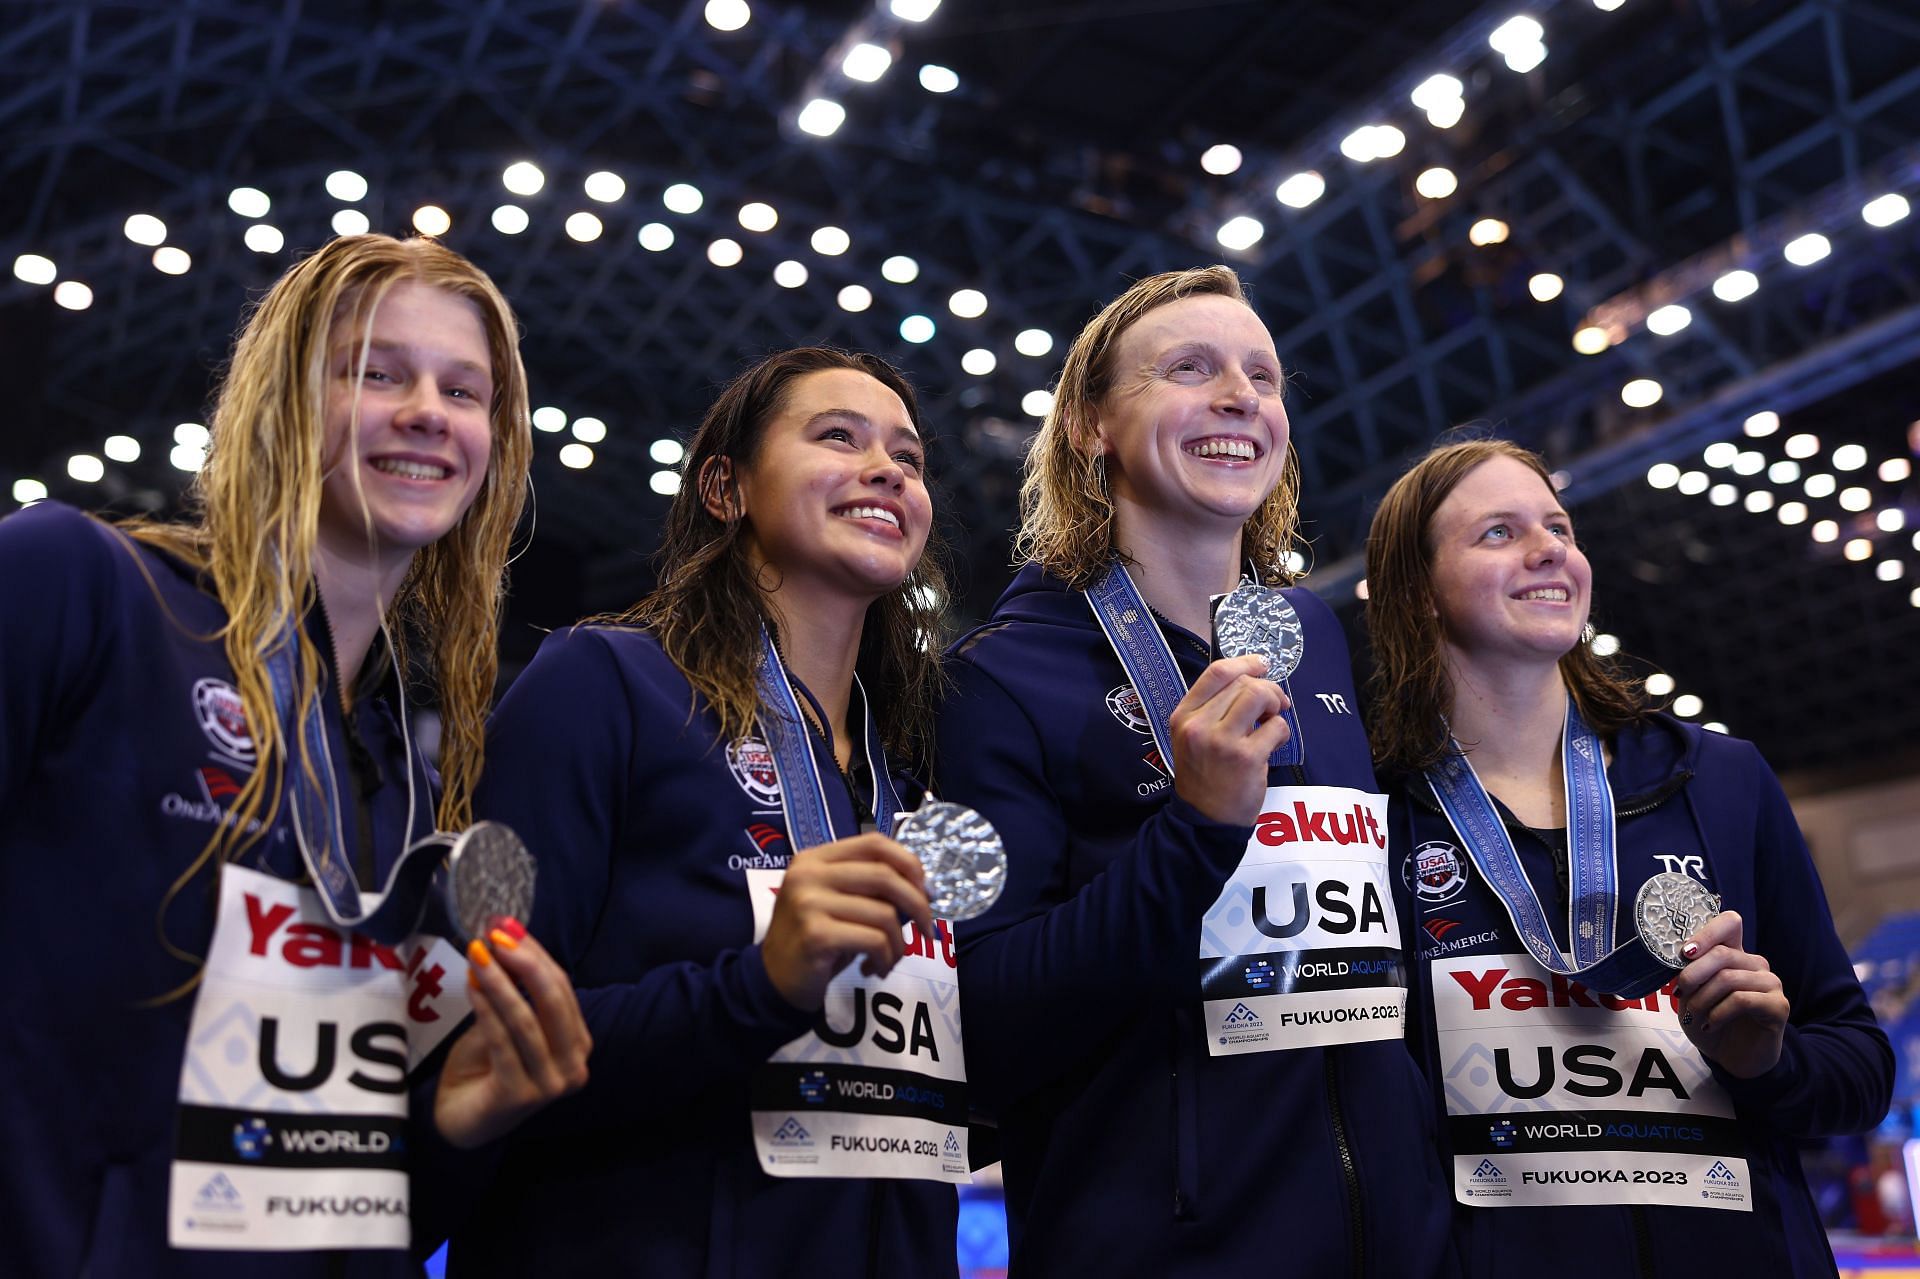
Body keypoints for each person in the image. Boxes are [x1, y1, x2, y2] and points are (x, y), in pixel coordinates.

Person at [0, 233, 591, 1277]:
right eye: (374, 371)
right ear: (284, 397)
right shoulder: (82, 590)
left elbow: (364, 1201)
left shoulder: (416, 774)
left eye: (465, 391)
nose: (427, 411)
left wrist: (457, 1122)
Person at [934, 266, 1454, 1276]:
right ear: (1091, 426)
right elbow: (985, 1019)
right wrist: (1196, 831)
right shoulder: (1003, 674)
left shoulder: (1312, 633)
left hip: (1392, 1244)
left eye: (1263, 376)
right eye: (1190, 368)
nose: (1241, 396)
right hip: (1170, 1247)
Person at [450, 347, 963, 1277]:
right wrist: (757, 986)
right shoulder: (603, 683)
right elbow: (481, 1041)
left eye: (910, 457)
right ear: (726, 488)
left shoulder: (908, 770)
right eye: (837, 438)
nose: (888, 469)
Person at [1364, 437, 1893, 1277]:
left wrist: (1769, 1060)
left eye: (1560, 527)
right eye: (1498, 532)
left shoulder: (1720, 780)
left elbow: (1861, 1069)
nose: (1551, 550)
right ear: (1419, 591)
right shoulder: (1374, 815)